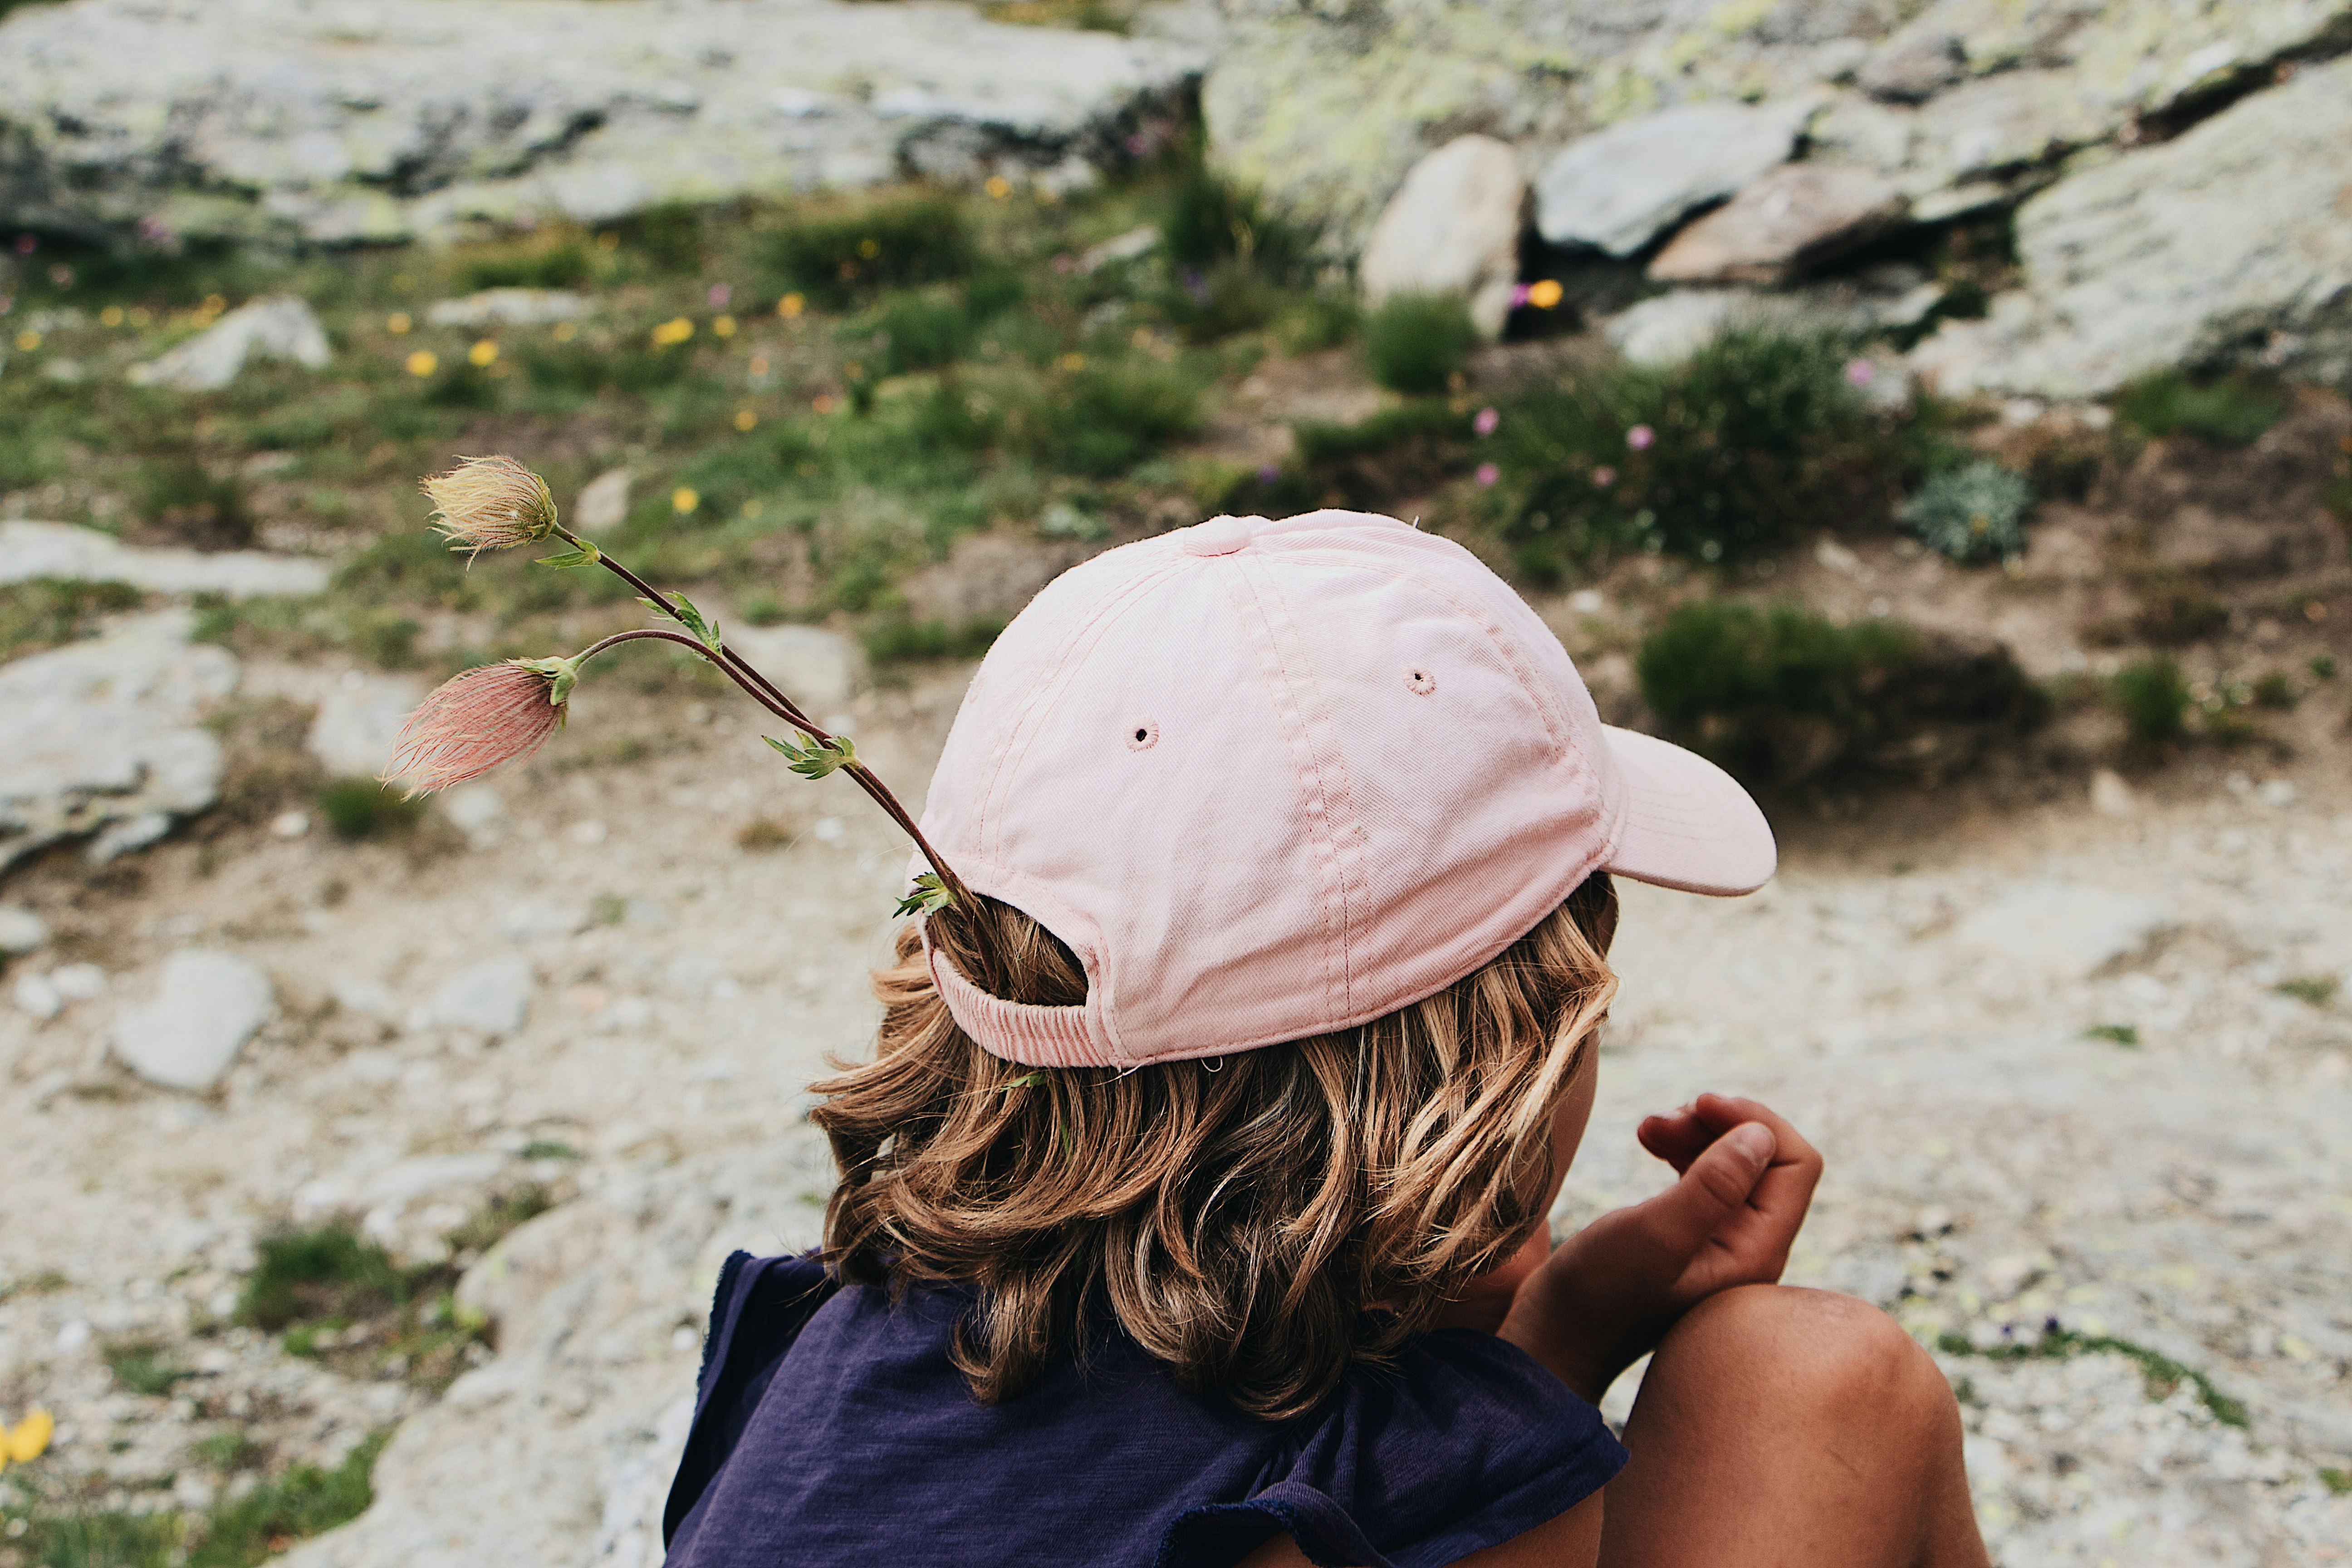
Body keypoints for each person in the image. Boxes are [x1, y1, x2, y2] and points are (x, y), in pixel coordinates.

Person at [660, 510, 1989, 1568]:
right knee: (1816, 1381)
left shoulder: (835, 1348)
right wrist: (1526, 1361)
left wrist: (1570, 1317)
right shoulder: (1422, 1500)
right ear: (1501, 1071)